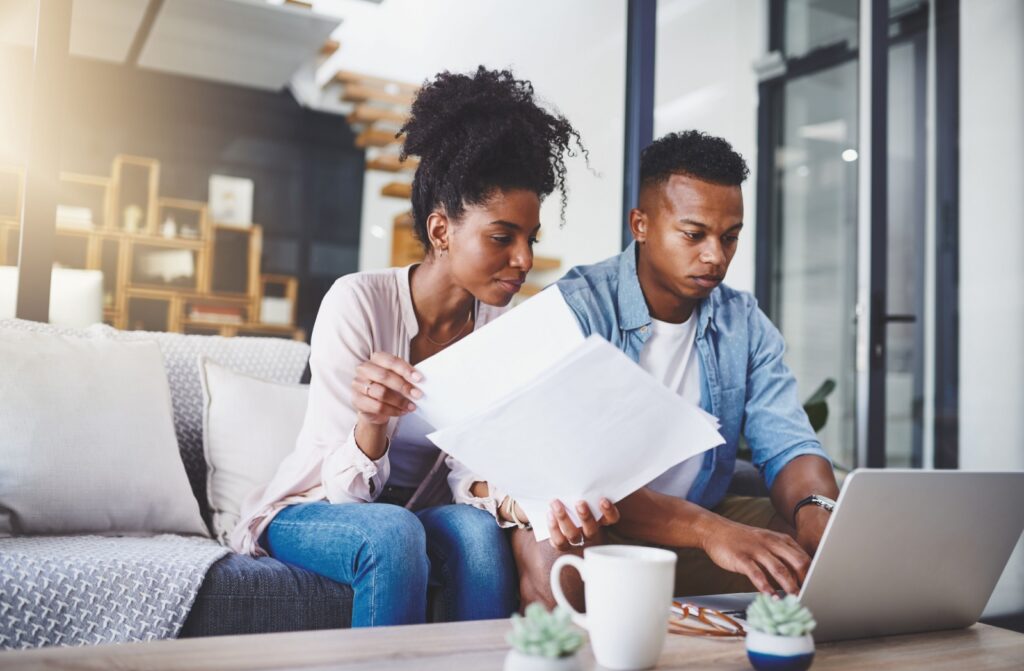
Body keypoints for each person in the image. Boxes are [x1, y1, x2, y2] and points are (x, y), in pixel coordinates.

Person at [231, 66, 590, 627]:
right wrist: (372, 425)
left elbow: (467, 470)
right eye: (502, 237)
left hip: (421, 511)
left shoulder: (499, 323)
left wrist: (515, 502)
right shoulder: (357, 303)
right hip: (315, 506)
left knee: (476, 537)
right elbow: (344, 494)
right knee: (393, 533)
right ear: (442, 231)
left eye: (530, 240)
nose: (523, 259)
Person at [513, 130, 841, 607]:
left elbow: (788, 440)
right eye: (694, 234)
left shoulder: (742, 321)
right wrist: (712, 532)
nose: (716, 256)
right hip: (598, 525)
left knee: (823, 547)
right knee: (554, 549)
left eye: (730, 237)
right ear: (640, 225)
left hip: (698, 521)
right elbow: (583, 478)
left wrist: (817, 512)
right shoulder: (576, 310)